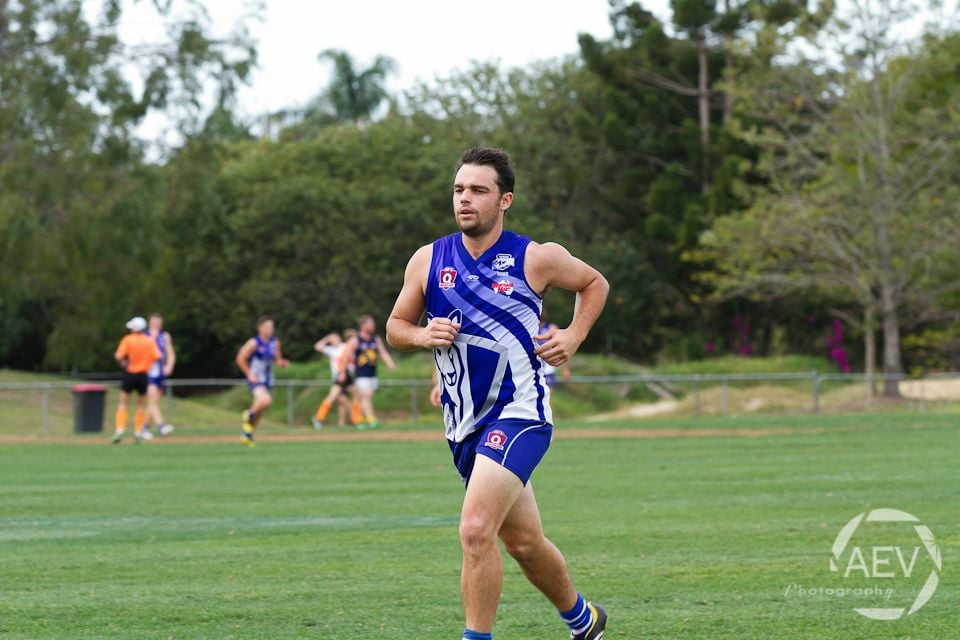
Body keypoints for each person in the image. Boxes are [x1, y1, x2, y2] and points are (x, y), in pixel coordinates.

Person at [386, 147, 610, 640]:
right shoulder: (428, 260)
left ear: (504, 200)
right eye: (459, 190)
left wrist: (572, 336)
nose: (465, 199)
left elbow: (594, 283)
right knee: (525, 544)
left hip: (520, 412)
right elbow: (396, 327)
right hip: (463, 425)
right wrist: (423, 337)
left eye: (479, 191)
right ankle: (584, 619)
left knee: (474, 530)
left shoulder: (535, 257)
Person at [235, 316, 290, 446]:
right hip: (256, 378)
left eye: (272, 327)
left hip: (268, 379)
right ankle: (248, 414)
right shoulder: (253, 343)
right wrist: (249, 374)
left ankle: (247, 435)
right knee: (265, 401)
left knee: (260, 410)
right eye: (268, 327)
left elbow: (277, 359)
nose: (271, 329)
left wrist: (281, 363)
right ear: (260, 328)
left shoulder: (275, 342)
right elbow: (240, 359)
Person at [340, 315, 396, 429]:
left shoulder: (375, 339)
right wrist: (342, 372)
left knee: (364, 399)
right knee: (366, 396)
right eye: (370, 324)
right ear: (363, 325)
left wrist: (389, 363)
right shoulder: (355, 340)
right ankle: (371, 419)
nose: (373, 326)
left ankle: (358, 420)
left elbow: (382, 352)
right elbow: (345, 356)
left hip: (372, 374)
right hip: (361, 375)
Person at [112, 316, 162, 444]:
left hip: (129, 374)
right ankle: (138, 432)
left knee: (123, 403)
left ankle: (120, 430)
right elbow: (158, 356)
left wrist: (123, 363)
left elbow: (118, 356)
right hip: (143, 376)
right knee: (141, 405)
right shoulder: (149, 341)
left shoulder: (128, 339)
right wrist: (147, 363)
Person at [311, 329, 357, 428]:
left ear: (339, 338)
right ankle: (318, 418)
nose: (333, 341)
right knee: (336, 398)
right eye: (332, 340)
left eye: (335, 339)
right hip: (339, 376)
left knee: (350, 397)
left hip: (347, 375)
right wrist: (327, 338)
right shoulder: (331, 350)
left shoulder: (344, 346)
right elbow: (317, 346)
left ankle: (353, 419)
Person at [142, 313, 176, 440]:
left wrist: (169, 365)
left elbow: (170, 352)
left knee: (154, 401)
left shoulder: (165, 336)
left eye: (158, 321)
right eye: (154, 321)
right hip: (147, 371)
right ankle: (161, 426)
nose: (156, 323)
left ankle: (144, 428)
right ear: (149, 322)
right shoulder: (144, 336)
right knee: (152, 399)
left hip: (160, 372)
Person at [538, 313, 571, 387]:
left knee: (548, 393)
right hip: (533, 366)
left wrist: (565, 369)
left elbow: (562, 348)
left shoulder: (551, 328)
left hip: (548, 366)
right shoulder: (530, 328)